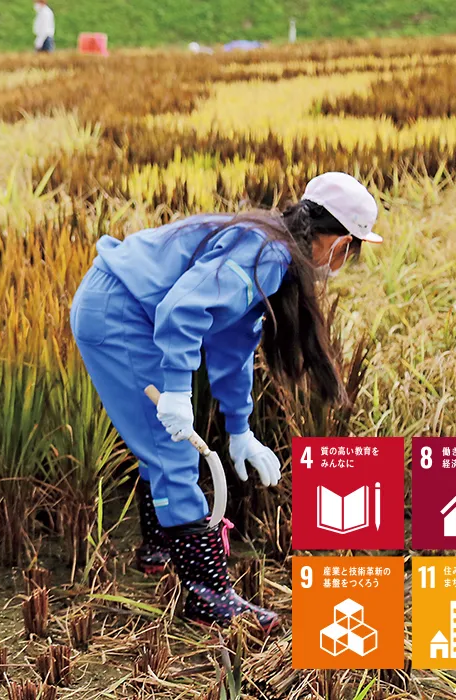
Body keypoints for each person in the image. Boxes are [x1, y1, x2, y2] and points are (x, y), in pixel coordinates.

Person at [69, 172, 382, 632]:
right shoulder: (267, 253)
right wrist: (176, 389)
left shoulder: (273, 251)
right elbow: (183, 309)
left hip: (125, 303)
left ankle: (159, 548)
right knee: (170, 446)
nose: (343, 263)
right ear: (336, 241)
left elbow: (232, 344)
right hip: (119, 310)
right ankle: (207, 594)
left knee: (162, 443)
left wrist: (240, 429)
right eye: (350, 251)